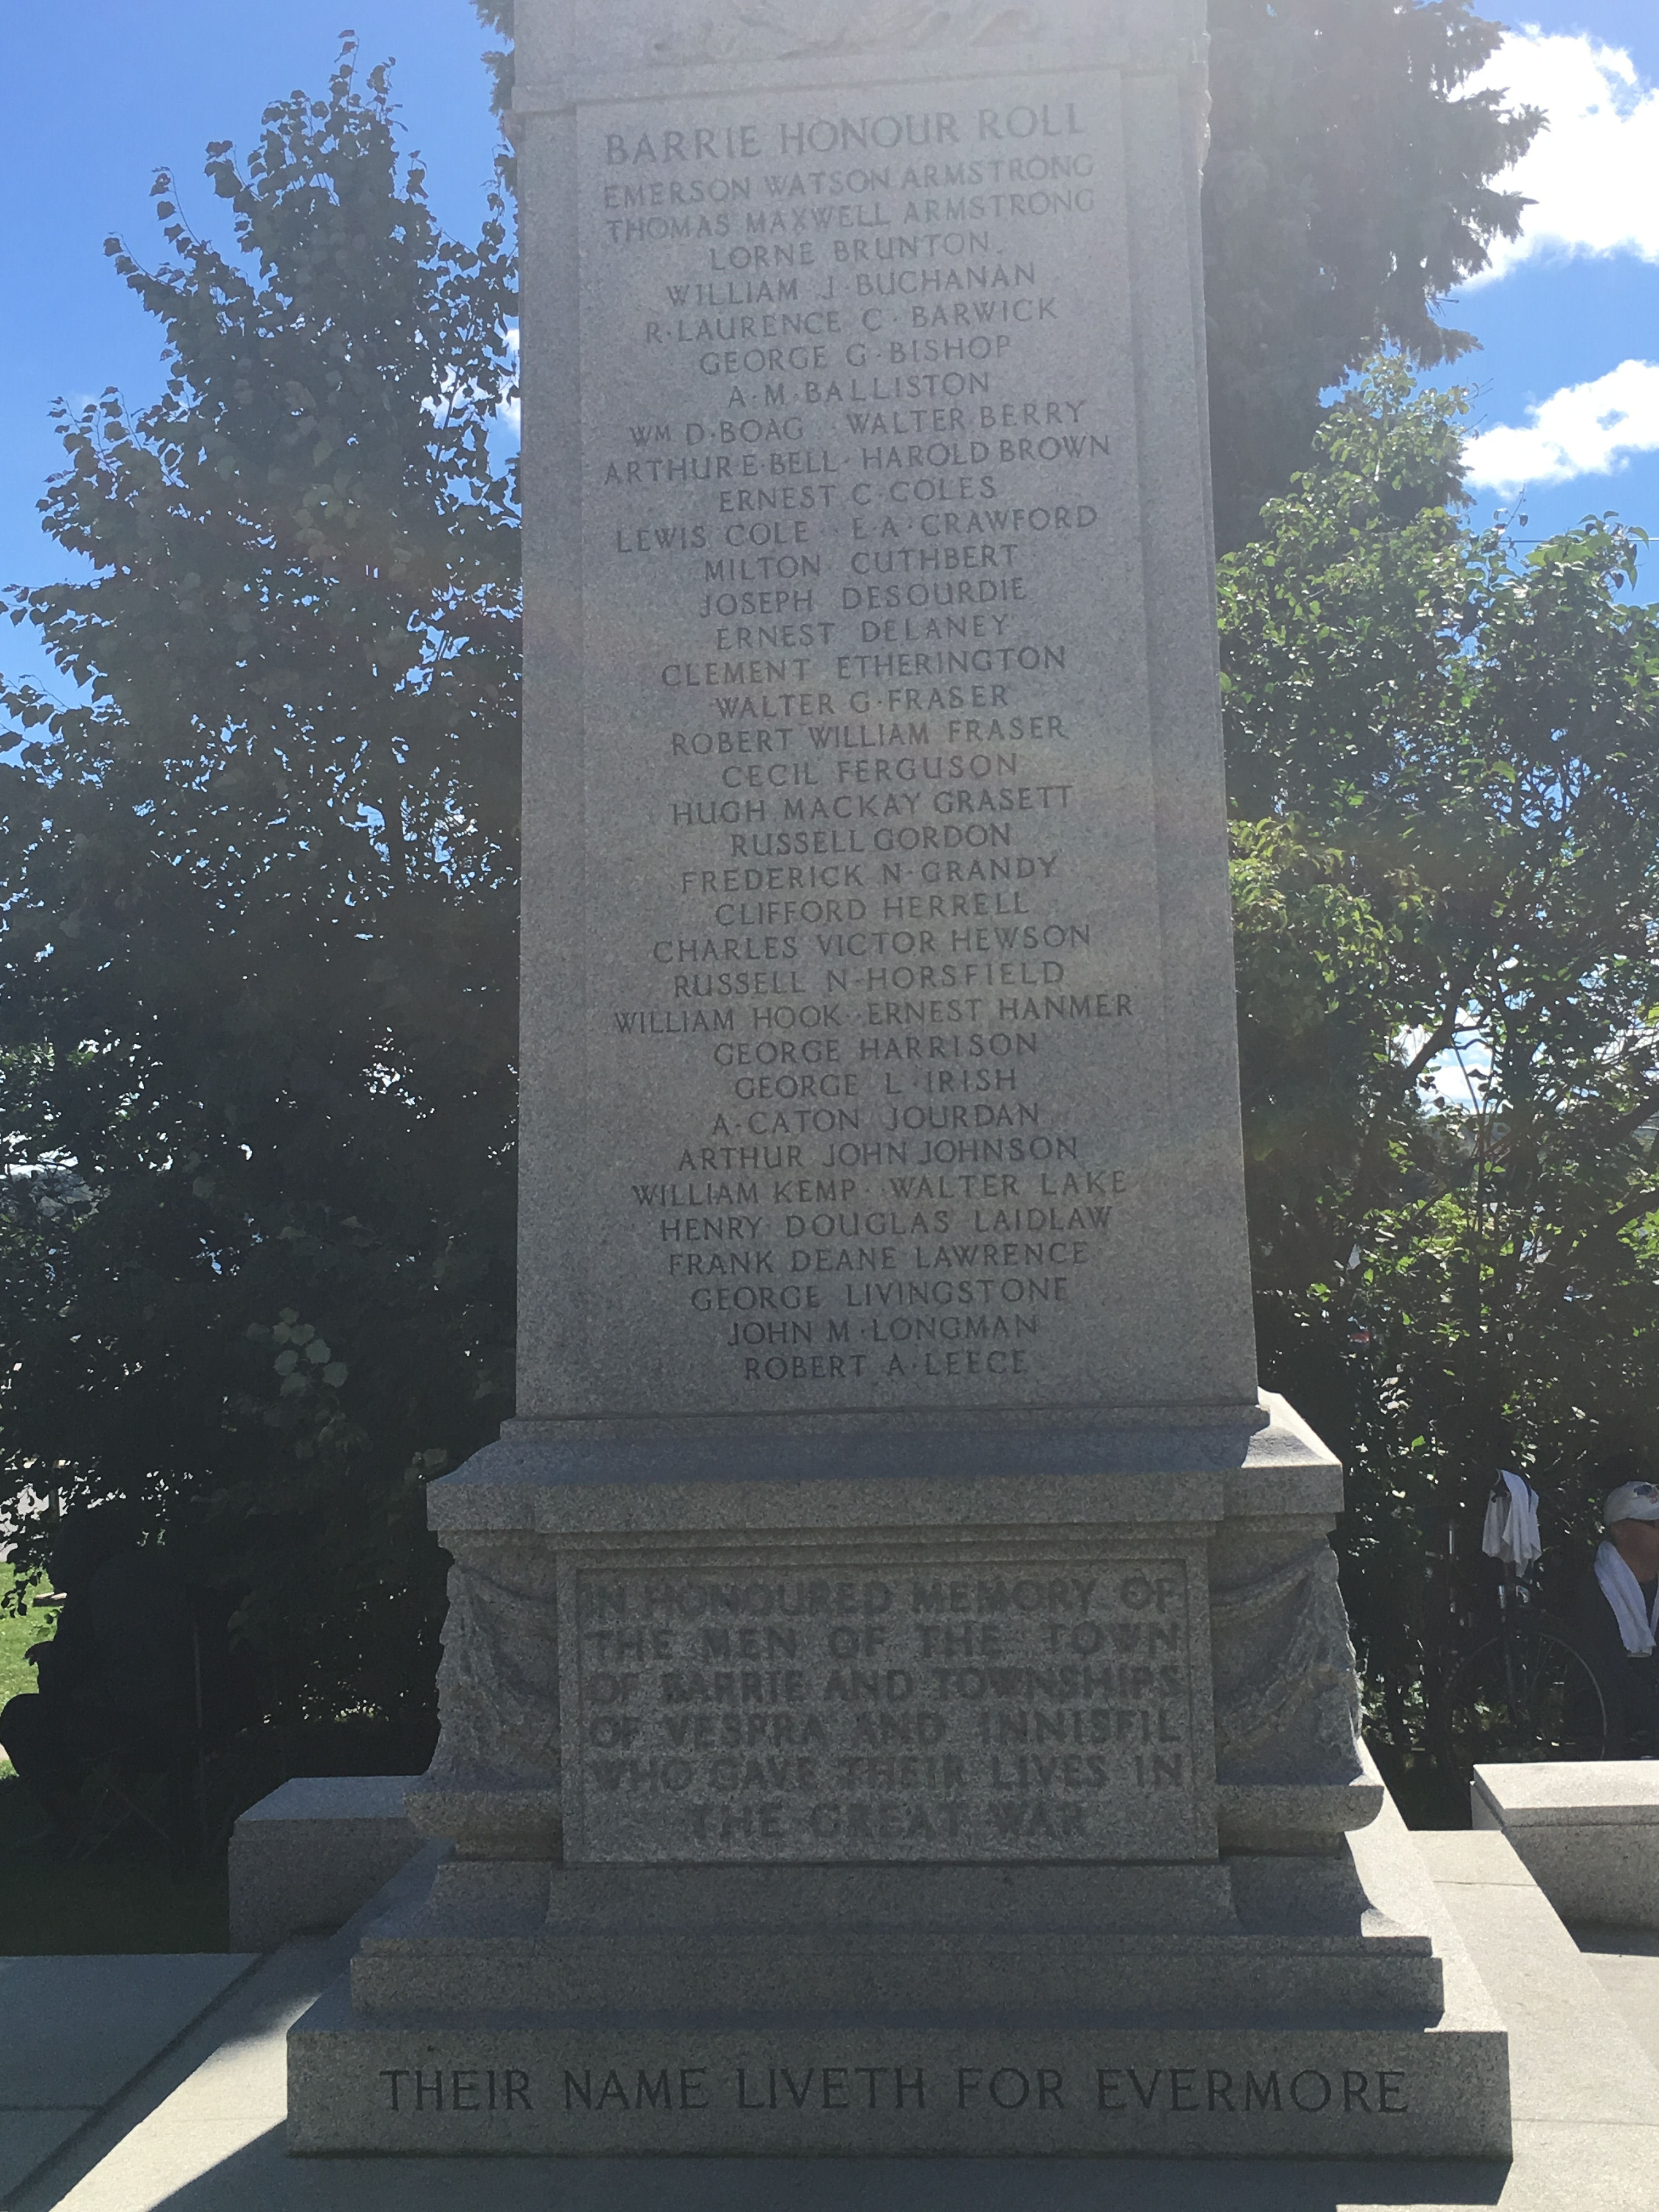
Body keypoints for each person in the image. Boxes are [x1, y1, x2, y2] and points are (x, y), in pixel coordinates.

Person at [0, 1505, 195, 1850]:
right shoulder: (169, 1574)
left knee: (22, 1717)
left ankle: (74, 1827)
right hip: (201, 1720)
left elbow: (63, 1680)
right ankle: (119, 1815)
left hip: (139, 1731)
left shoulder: (96, 1589)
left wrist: (51, 1659)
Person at [1571, 1470, 1659, 1753]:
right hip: (1606, 1728)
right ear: (1620, 1529)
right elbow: (1610, 1669)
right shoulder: (1596, 1589)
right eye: (1654, 1524)